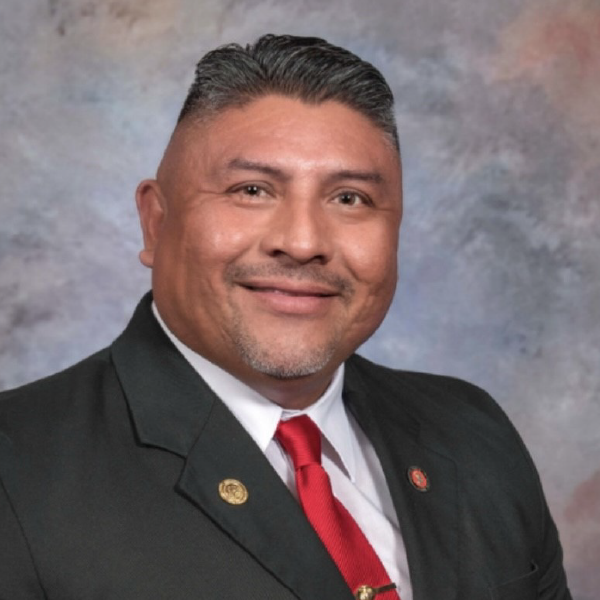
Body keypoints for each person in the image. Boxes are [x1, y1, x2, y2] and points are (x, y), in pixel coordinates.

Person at [0, 34, 571, 600]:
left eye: (349, 198)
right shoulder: (18, 471)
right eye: (252, 190)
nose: (302, 243)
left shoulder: (473, 433)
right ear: (156, 222)